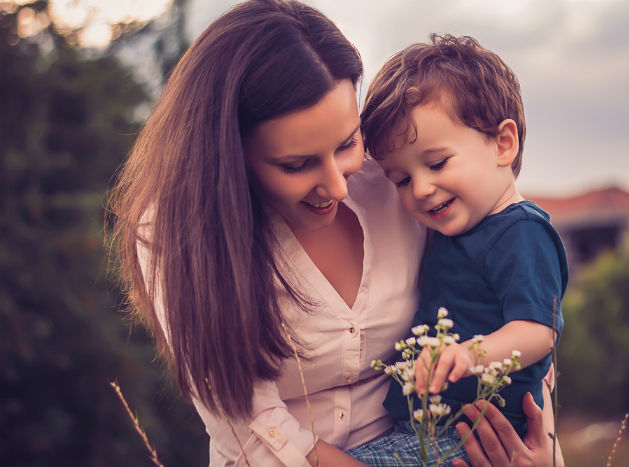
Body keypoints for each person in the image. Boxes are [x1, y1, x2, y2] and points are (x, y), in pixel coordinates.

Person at [108, 1, 562, 465]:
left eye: (348, 143)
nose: (339, 185)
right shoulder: (175, 235)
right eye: (296, 164)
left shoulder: (400, 178)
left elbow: (513, 320)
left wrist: (543, 454)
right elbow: (249, 425)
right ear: (229, 156)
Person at [348, 35, 568, 465]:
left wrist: (470, 355)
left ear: (503, 144)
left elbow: (538, 330)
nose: (422, 189)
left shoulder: (522, 231)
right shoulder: (458, 231)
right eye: (402, 179)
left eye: (436, 163)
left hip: (476, 433)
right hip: (437, 425)